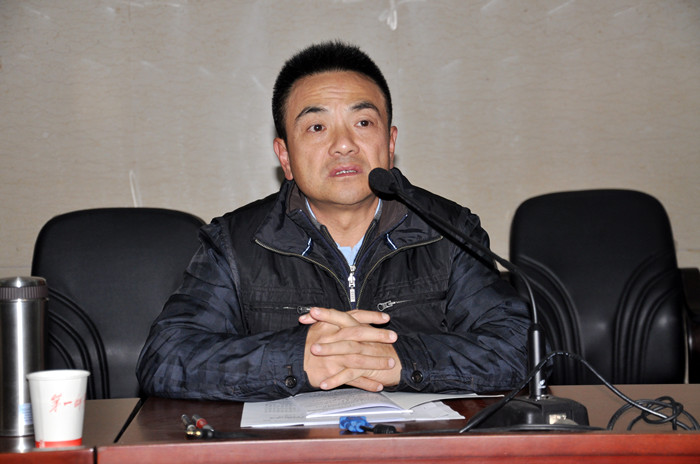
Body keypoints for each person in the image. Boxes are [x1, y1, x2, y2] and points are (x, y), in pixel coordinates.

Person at [136, 41, 529, 401]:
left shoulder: (448, 231)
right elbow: (165, 358)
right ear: (285, 157)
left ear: (390, 143)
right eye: (317, 127)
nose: (343, 144)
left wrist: (398, 359)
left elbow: (517, 348)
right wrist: (298, 359)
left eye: (363, 123)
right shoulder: (236, 243)